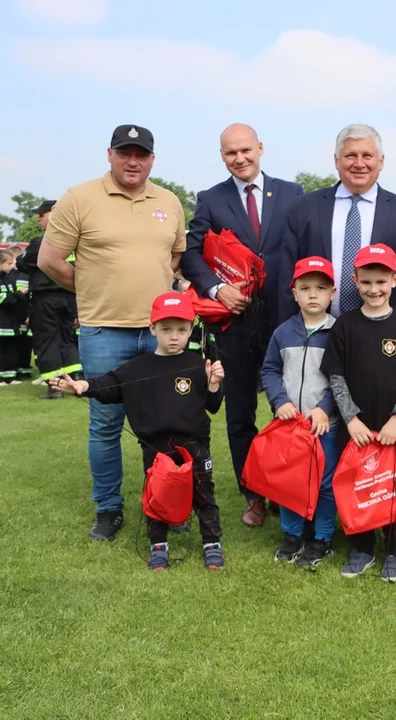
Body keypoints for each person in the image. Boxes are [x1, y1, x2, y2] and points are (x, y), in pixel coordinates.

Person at [37, 124, 187, 542]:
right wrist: (90, 289)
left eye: (141, 154)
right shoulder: (79, 198)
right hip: (104, 330)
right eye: (125, 153)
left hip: (160, 333)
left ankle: (167, 502)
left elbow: (176, 255)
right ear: (110, 154)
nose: (133, 161)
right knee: (105, 423)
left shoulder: (169, 201)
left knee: (167, 422)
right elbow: (50, 260)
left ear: (152, 159)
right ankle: (108, 508)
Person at [181, 123, 304, 527]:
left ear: (260, 148)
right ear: (222, 156)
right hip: (233, 325)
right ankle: (252, 492)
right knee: (239, 415)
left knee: (289, 407)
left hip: (286, 321)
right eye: (231, 152)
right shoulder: (210, 199)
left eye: (246, 150)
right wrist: (216, 290)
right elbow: (192, 256)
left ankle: (290, 488)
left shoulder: (292, 193)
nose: (240, 158)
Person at [50, 291, 226, 570]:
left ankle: (212, 544)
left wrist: (214, 383)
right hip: (156, 448)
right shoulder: (137, 368)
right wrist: (83, 386)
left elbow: (213, 406)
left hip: (194, 445)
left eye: (181, 330)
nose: (173, 336)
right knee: (158, 495)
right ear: (152, 328)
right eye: (166, 329)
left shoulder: (197, 365)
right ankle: (158, 546)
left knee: (203, 493)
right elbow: (110, 385)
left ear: (191, 329)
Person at [321, 244, 396, 582]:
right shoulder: (345, 326)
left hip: (394, 426)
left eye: (381, 282)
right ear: (354, 280)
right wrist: (350, 418)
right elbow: (335, 376)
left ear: (395, 280)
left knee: (394, 485)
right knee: (359, 483)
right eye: (366, 282)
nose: (374, 289)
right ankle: (362, 548)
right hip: (358, 426)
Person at [278, 124, 396, 336]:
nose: (359, 164)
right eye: (350, 155)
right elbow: (287, 277)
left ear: (381, 162)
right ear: (336, 160)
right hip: (315, 334)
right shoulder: (303, 209)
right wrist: (290, 335)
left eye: (367, 155)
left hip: (384, 337)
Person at [260, 257, 341, 567]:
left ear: (332, 293)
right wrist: (280, 401)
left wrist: (324, 408)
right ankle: (292, 535)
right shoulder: (283, 332)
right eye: (305, 288)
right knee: (290, 482)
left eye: (320, 288)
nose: (312, 295)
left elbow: (344, 378)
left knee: (325, 483)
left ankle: (322, 538)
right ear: (293, 292)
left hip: (325, 426)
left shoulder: (339, 333)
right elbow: (269, 370)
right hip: (290, 426)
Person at [17, 200, 82, 398]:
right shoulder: (77, 244)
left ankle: (55, 388)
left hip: (46, 299)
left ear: (54, 216)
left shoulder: (43, 242)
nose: (38, 219)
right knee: (67, 340)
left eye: (42, 214)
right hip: (71, 298)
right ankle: (77, 379)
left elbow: (24, 263)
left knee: (47, 341)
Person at [0, 248, 30, 385]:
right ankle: (3, 377)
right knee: (4, 350)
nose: (12, 266)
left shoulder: (5, 278)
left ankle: (9, 377)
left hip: (9, 322)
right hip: (3, 322)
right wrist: (19, 294)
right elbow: (3, 299)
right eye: (9, 263)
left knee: (10, 349)